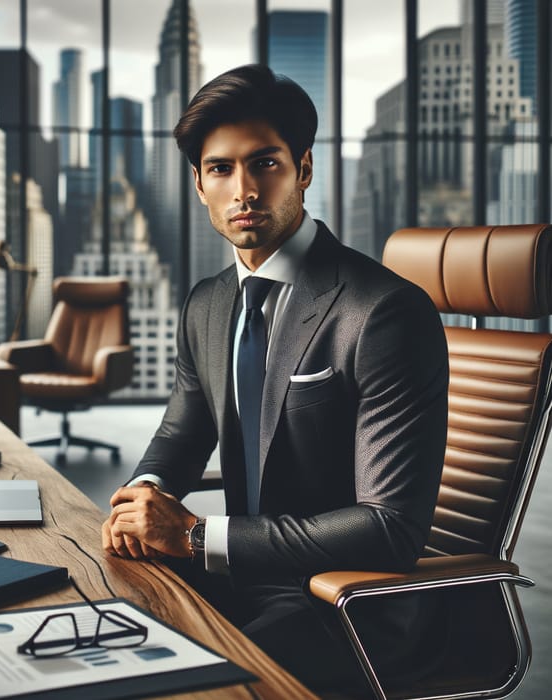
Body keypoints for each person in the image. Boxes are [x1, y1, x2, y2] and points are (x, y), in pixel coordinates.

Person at [102, 64, 449, 694]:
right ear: (199, 183)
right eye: (221, 168)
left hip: (344, 605)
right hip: (244, 580)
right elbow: (181, 434)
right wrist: (142, 496)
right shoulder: (208, 304)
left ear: (304, 169)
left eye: (265, 163)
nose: (244, 190)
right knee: (90, 629)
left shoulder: (383, 312)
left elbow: (389, 527)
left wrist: (198, 534)